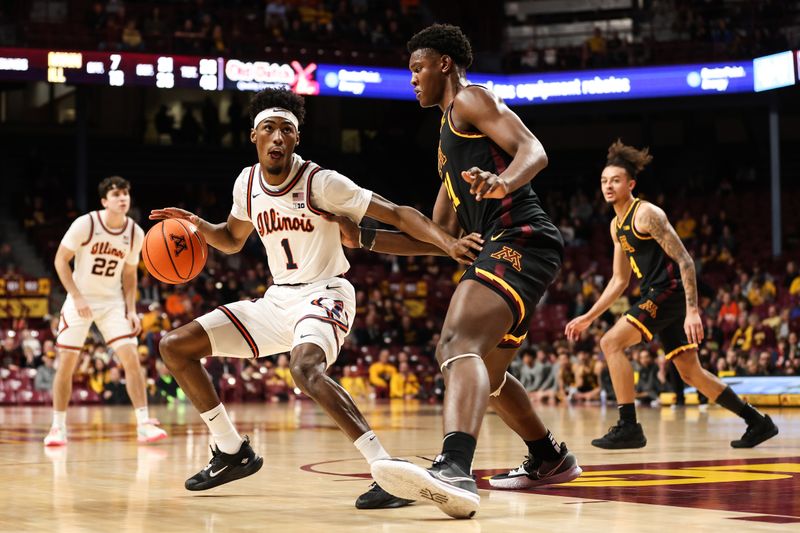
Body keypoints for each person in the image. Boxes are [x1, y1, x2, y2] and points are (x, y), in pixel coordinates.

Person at [151, 88, 481, 494]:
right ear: (253, 136)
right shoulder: (246, 182)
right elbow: (232, 238)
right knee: (174, 346)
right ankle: (231, 449)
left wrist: (447, 245)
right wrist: (197, 224)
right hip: (278, 300)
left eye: (286, 130)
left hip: (326, 292)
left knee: (305, 369)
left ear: (296, 139)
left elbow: (396, 213)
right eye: (268, 129)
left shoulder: (322, 182)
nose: (277, 137)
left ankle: (385, 468)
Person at [341, 24, 581, 519]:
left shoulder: (470, 100)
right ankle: (548, 456)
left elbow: (533, 151)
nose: (412, 79)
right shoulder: (446, 142)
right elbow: (434, 235)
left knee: (454, 346)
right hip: (506, 246)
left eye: (417, 67)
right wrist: (362, 237)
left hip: (521, 238)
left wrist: (502, 182)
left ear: (444, 64)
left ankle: (453, 466)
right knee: (488, 375)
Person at [565, 140, 778, 449]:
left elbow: (685, 260)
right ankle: (757, 422)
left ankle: (629, 426)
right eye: (604, 181)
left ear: (631, 184)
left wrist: (693, 310)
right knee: (691, 373)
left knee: (610, 343)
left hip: (669, 291)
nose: (608, 186)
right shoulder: (615, 226)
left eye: (615, 180)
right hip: (657, 295)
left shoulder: (647, 214)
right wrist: (587, 316)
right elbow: (619, 280)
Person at [44, 176, 167, 446]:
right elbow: (60, 261)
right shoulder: (86, 224)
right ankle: (57, 427)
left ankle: (144, 423)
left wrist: (132, 309)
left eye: (126, 194)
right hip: (81, 299)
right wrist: (76, 296)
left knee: (132, 358)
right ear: (104, 201)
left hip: (112, 303)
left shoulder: (135, 232)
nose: (123, 198)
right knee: (66, 362)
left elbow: (130, 273)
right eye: (116, 194)